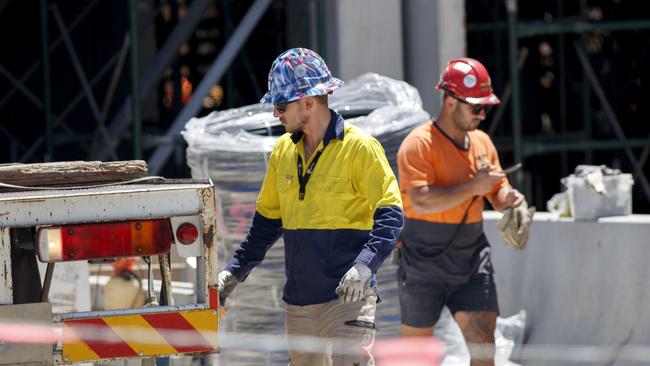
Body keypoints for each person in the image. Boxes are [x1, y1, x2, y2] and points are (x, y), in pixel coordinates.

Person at [216, 48, 404, 366]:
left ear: (307, 102)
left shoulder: (359, 148)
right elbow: (265, 225)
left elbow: (391, 215)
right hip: (300, 304)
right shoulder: (282, 154)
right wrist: (233, 272)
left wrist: (364, 266)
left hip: (348, 300)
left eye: (280, 105)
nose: (276, 114)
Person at [395, 57, 534, 365]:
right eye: (476, 107)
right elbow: (420, 201)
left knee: (484, 348)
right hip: (422, 264)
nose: (482, 115)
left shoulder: (483, 143)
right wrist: (473, 187)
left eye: (485, 108)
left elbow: (497, 193)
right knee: (415, 358)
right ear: (450, 102)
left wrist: (512, 200)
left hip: (471, 262)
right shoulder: (419, 145)